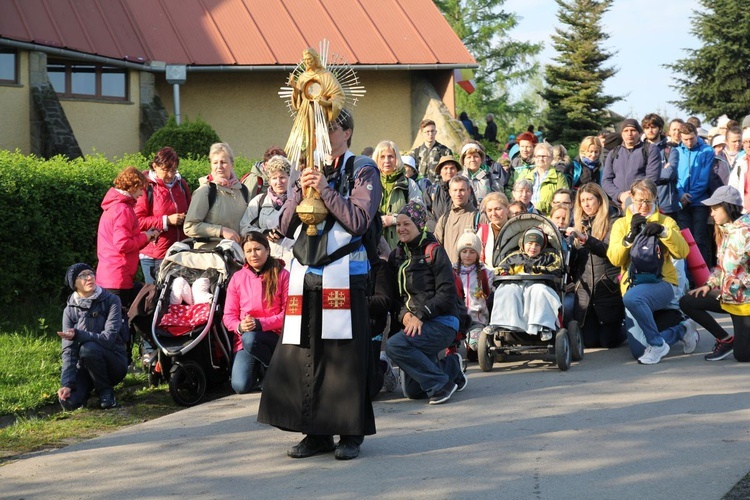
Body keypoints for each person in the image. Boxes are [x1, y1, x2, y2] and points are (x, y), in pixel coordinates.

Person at [257, 113, 381, 461]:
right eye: (319, 129)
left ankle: (351, 433)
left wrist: (325, 189)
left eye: (330, 128)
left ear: (348, 133)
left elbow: (357, 221)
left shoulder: (363, 168)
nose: (323, 135)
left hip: (346, 275)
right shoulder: (307, 169)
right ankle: (316, 433)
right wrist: (301, 189)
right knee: (305, 354)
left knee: (344, 357)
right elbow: (283, 227)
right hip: (308, 275)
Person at [385, 202, 466, 405]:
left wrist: (421, 315)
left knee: (394, 345)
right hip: (414, 324)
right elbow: (396, 298)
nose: (401, 228)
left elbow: (446, 293)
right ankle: (451, 367)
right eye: (398, 224)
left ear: (419, 225)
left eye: (407, 224)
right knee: (414, 392)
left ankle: (441, 384)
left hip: (442, 321)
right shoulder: (396, 256)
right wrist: (405, 315)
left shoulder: (434, 251)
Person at [606, 179, 693, 364]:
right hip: (634, 283)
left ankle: (657, 344)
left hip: (662, 283)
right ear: (631, 198)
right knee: (639, 351)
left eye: (649, 201)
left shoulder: (666, 221)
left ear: (655, 200)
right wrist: (629, 237)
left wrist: (663, 232)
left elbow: (683, 252)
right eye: (639, 200)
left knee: (631, 298)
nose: (644, 206)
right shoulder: (621, 224)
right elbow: (614, 259)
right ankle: (682, 330)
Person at [679, 186, 750, 361]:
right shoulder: (725, 230)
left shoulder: (746, 231)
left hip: (745, 303)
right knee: (688, 301)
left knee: (743, 356)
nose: (711, 214)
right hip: (729, 297)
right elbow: (720, 267)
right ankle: (726, 340)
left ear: (728, 206)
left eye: (715, 208)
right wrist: (709, 285)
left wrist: (741, 283)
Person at [223, 232, 289, 393]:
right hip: (245, 339)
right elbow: (228, 316)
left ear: (267, 249)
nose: (253, 254)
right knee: (240, 386)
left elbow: (288, 314)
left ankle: (274, 371)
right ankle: (261, 368)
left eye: (258, 249)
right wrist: (239, 326)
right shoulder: (237, 278)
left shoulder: (283, 275)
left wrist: (260, 324)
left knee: (251, 338)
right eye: (248, 251)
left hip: (274, 336)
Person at [58, 263, 129, 410]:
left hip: (114, 362)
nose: (89, 278)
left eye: (90, 273)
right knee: (68, 402)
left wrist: (78, 334)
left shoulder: (111, 300)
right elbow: (68, 351)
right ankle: (91, 389)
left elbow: (108, 339)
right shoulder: (69, 310)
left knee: (88, 348)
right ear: (74, 284)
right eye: (82, 276)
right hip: (85, 366)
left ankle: (106, 392)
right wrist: (67, 384)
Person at [566, 183, 625, 348]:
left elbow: (607, 250)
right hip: (585, 290)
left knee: (609, 343)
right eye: (582, 200)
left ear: (600, 200)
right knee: (589, 342)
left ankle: (630, 328)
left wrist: (585, 239)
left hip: (608, 285)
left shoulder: (614, 220)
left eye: (589, 199)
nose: (586, 204)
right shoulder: (579, 222)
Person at [97, 166, 159, 310]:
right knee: (116, 325)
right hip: (118, 277)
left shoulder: (114, 207)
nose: (142, 194)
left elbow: (124, 241)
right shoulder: (123, 210)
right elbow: (122, 244)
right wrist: (144, 236)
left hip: (108, 275)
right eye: (140, 189)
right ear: (132, 187)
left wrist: (146, 237)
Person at [488, 227, 562, 341]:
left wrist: (540, 269)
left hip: (540, 283)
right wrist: (504, 272)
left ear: (542, 246)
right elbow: (501, 268)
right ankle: (500, 322)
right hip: (516, 284)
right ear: (523, 243)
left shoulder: (550, 257)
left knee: (539, 291)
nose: (533, 247)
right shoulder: (513, 257)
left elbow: (556, 270)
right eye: (530, 243)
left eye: (537, 244)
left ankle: (544, 325)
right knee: (506, 290)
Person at [135, 147, 191, 284]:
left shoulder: (182, 184)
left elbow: (191, 209)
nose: (170, 175)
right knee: (156, 298)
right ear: (155, 166)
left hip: (180, 251)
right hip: (154, 254)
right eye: (166, 170)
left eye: (173, 170)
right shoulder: (146, 186)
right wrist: (167, 220)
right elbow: (137, 221)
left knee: (177, 296)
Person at [284, 48, 345, 171]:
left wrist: (326, 102)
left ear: (315, 59)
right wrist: (295, 88)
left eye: (310, 59)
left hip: (321, 115)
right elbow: (299, 102)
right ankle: (307, 163)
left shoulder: (326, 76)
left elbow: (338, 95)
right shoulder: (303, 77)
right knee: (307, 142)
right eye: (305, 60)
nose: (308, 62)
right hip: (305, 114)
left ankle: (321, 167)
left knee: (320, 143)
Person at [184, 142, 248, 249]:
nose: (219, 167)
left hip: (236, 256)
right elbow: (189, 227)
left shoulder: (242, 190)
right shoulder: (205, 191)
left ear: (232, 164)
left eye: (223, 162)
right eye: (215, 163)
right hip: (210, 257)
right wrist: (221, 231)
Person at [670, 122, 715, 266]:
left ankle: (703, 277)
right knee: (684, 240)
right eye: (685, 139)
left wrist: (689, 197)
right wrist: (681, 194)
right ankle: (688, 277)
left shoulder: (707, 151)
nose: (689, 142)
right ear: (680, 138)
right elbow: (674, 176)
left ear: (697, 135)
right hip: (681, 202)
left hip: (699, 202)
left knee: (699, 239)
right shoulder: (676, 151)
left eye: (692, 139)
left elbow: (704, 178)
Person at [239, 155, 295, 263]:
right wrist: (265, 233)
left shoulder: (298, 202)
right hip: (266, 262)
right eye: (274, 178)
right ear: (269, 180)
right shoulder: (259, 201)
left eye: (282, 177)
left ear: (289, 178)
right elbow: (244, 228)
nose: (279, 182)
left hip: (292, 260)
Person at [373, 140, 422, 251]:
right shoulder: (369, 184)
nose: (387, 161)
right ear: (376, 159)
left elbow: (419, 212)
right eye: (382, 157)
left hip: (403, 250)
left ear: (397, 159)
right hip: (374, 251)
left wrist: (394, 219)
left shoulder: (409, 184)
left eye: (391, 156)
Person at [601, 118, 662, 209]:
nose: (629, 133)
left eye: (633, 130)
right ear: (622, 134)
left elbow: (652, 178)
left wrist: (632, 198)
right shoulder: (613, 153)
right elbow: (606, 180)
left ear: (640, 133)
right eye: (626, 131)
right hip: (617, 206)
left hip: (643, 206)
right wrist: (620, 196)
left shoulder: (650, 150)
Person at [454, 231, 492, 354]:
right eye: (464, 251)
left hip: (477, 320)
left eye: (472, 252)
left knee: (475, 347)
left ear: (478, 253)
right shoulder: (451, 272)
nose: (467, 255)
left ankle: (473, 346)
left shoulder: (486, 273)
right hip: (456, 318)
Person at [642, 114, 680, 219]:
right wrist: (661, 170)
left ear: (660, 129)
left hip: (667, 206)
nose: (650, 130)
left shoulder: (671, 150)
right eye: (647, 128)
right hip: (644, 205)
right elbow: (636, 175)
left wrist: (647, 174)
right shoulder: (639, 151)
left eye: (653, 127)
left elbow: (669, 174)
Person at [435, 175, 478, 263]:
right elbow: (436, 246)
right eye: (455, 190)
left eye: (462, 190)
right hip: (449, 273)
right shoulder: (444, 218)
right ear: (450, 192)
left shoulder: (478, 217)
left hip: (472, 273)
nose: (458, 194)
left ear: (469, 191)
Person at [425, 155, 462, 230]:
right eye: (445, 168)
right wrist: (437, 229)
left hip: (458, 231)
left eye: (452, 168)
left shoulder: (464, 188)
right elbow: (426, 213)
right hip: (435, 233)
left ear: (456, 171)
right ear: (440, 171)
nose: (449, 171)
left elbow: (470, 209)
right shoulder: (431, 191)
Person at [410, 119, 453, 183]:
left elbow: (451, 173)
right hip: (420, 189)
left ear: (436, 132)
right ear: (422, 133)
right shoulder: (415, 153)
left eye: (432, 131)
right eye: (427, 132)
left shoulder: (445, 151)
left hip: (439, 189)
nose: (430, 134)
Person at [476, 192, 510, 267]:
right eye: (489, 210)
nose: (493, 213)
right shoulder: (483, 231)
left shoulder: (516, 229)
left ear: (507, 209)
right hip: (489, 276)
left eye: (497, 209)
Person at [461, 141, 499, 206]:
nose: (472, 159)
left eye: (476, 156)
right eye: (469, 157)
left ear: (481, 159)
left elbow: (499, 199)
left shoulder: (491, 176)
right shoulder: (459, 178)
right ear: (463, 161)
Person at [505, 131, 537, 197]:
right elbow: (508, 186)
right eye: (522, 146)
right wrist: (513, 198)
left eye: (528, 147)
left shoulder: (538, 163)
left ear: (534, 147)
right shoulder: (515, 163)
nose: (524, 150)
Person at [728, 128, 750, 213]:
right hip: (745, 212)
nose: (748, 145)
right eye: (745, 142)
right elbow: (733, 187)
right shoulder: (741, 163)